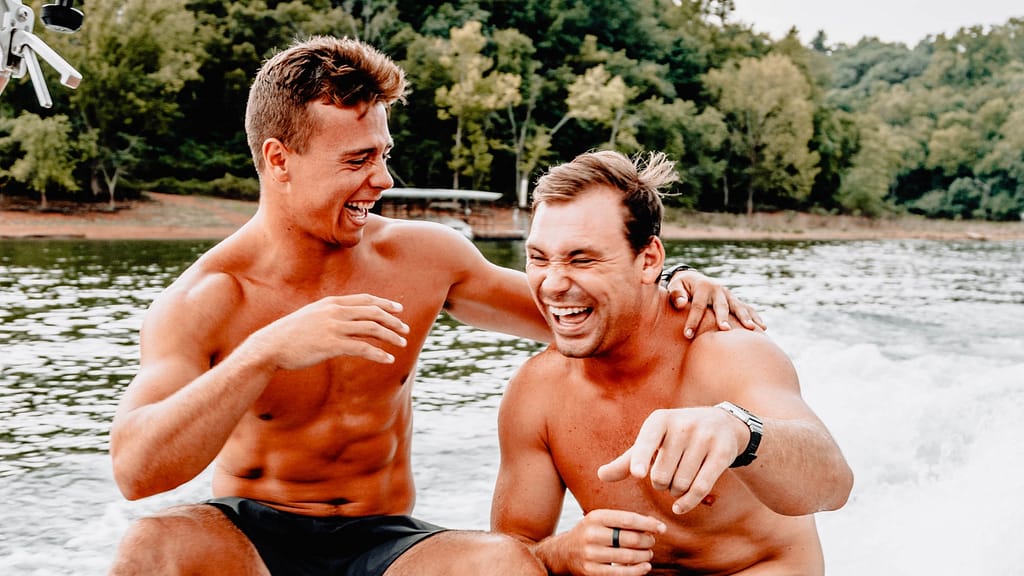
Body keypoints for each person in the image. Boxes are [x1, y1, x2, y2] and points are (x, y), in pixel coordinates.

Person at [106, 37, 763, 575]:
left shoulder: (425, 259)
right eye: (358, 159)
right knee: (150, 548)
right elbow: (136, 471)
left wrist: (669, 281)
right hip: (252, 538)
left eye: (384, 155)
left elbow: (582, 313)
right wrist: (268, 350)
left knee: (506, 564)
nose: (384, 180)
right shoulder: (207, 300)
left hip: (386, 540)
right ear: (280, 160)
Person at [491, 150, 854, 575]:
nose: (552, 283)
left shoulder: (725, 351)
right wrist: (559, 553)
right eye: (538, 258)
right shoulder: (537, 391)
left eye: (582, 258)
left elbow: (834, 484)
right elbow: (512, 550)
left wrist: (740, 431)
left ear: (648, 261)